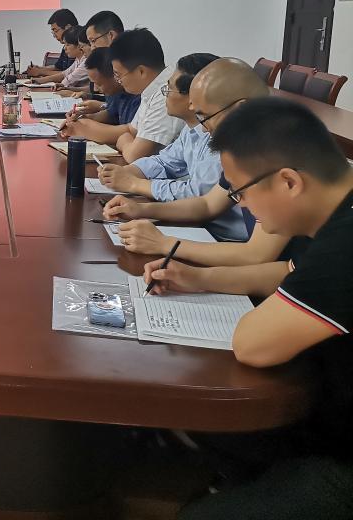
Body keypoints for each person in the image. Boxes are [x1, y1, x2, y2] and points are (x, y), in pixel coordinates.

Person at [144, 98, 353, 520]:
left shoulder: (345, 245)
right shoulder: (337, 211)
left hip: (341, 456)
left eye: (242, 191)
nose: (241, 206)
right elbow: (286, 272)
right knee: (197, 421)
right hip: (323, 408)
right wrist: (197, 278)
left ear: (289, 182)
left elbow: (254, 345)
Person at [104, 58, 291, 266]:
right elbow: (207, 204)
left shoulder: (279, 154)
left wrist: (164, 244)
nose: (202, 128)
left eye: (205, 117)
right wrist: (141, 210)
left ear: (240, 109)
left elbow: (256, 255)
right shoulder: (243, 148)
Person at [94, 54, 246, 235]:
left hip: (216, 234)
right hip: (198, 226)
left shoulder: (228, 139)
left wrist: (135, 184)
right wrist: (127, 173)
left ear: (194, 97)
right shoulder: (193, 129)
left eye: (169, 88)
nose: (164, 93)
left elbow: (197, 195)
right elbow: (165, 162)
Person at [106, 28, 182, 163]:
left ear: (141, 71)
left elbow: (135, 156)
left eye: (118, 75)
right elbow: (132, 130)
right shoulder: (152, 87)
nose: (118, 81)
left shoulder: (166, 93)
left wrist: (124, 141)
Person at [60, 48, 140, 142]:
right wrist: (82, 119)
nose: (96, 89)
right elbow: (111, 115)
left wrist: (85, 128)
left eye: (99, 84)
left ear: (115, 75)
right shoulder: (117, 92)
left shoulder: (137, 96)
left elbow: (130, 133)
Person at [25, 9, 77, 76]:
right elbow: (58, 67)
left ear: (68, 27)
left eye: (56, 31)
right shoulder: (66, 46)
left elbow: (68, 74)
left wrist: (40, 72)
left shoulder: (76, 46)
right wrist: (39, 68)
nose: (54, 36)